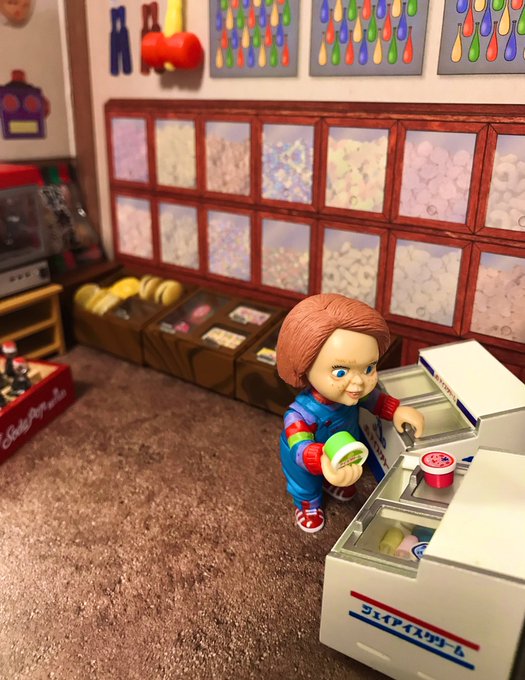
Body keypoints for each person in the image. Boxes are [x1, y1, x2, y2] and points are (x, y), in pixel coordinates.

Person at [276, 294, 424, 534]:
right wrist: (322, 461)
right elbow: (300, 449)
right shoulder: (299, 416)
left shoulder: (355, 395)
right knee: (305, 482)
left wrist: (396, 410)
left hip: (346, 449)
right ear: (304, 366)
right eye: (340, 373)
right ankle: (308, 504)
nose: (358, 383)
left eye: (369, 368)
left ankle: (334, 482)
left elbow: (375, 400)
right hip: (311, 460)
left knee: (349, 470)